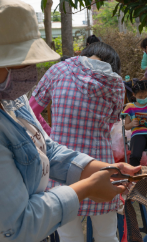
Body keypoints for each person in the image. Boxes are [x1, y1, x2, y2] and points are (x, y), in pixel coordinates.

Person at [0, 0, 139, 242]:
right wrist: (86, 187)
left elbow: (44, 147)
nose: (29, 71)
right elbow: (18, 226)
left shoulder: (0, 90)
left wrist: (100, 169)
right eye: (21, 61)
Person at [30, 42, 124, 242]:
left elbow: (31, 113)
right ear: (113, 65)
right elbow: (109, 125)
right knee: (107, 235)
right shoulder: (116, 84)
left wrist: (51, 135)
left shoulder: (58, 70)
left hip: (61, 168)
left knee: (69, 237)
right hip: (100, 167)